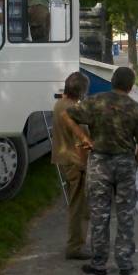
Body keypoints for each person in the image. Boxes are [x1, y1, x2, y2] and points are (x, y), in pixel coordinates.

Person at [65, 67, 138, 275]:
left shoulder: (95, 101)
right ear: (130, 87)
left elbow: (68, 115)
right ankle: (125, 263)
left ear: (112, 81)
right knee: (125, 214)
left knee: (99, 214)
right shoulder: (136, 109)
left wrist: (84, 138)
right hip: (125, 165)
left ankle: (99, 263)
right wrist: (134, 163)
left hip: (100, 163)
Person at [52, 72, 92, 260]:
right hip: (75, 162)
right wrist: (85, 165)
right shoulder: (75, 110)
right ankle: (75, 247)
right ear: (82, 91)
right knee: (79, 206)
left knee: (74, 203)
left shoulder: (59, 104)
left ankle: (76, 243)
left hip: (62, 158)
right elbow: (81, 142)